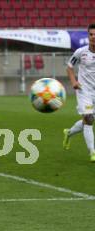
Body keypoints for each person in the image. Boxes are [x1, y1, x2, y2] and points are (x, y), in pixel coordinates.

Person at [63, 23, 95, 161]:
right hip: (84, 91)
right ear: (88, 36)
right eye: (91, 34)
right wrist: (74, 82)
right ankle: (92, 152)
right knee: (89, 119)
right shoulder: (81, 52)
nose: (93, 37)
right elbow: (69, 67)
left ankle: (69, 133)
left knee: (88, 120)